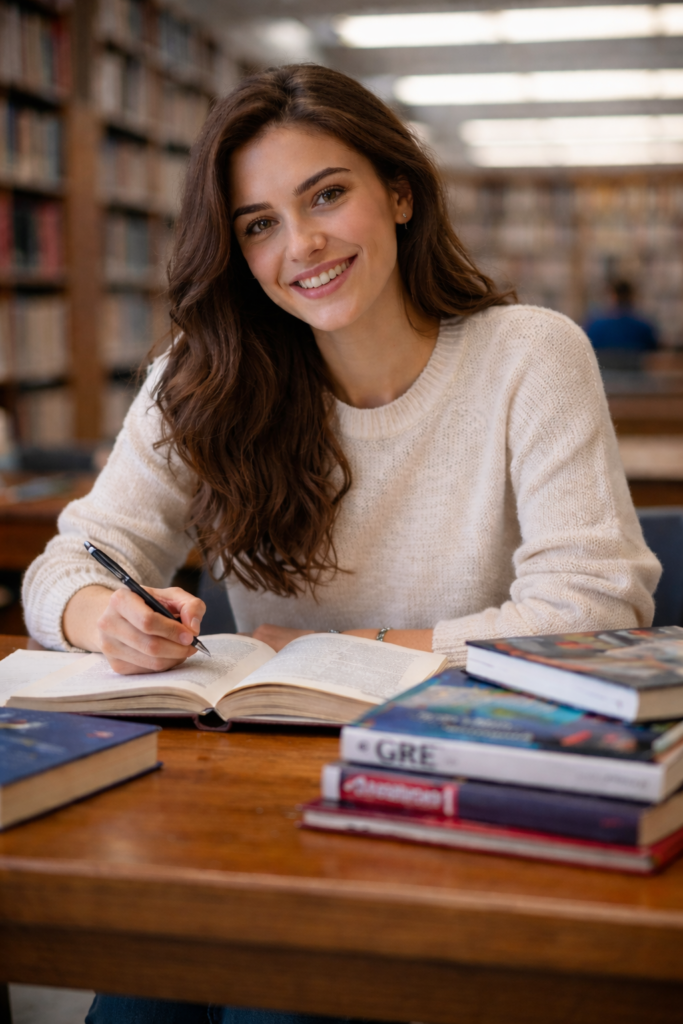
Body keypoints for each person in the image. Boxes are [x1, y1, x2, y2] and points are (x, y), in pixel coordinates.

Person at [23, 65, 659, 1023]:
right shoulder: (202, 378)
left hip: (468, 780)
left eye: (325, 195)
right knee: (141, 991)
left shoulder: (530, 353)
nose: (302, 245)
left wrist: (339, 652)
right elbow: (66, 565)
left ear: (398, 192)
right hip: (261, 788)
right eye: (259, 224)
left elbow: (594, 609)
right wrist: (103, 614)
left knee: (279, 1002)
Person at [585, 279, 658, 360]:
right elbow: (653, 350)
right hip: (634, 368)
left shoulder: (597, 326)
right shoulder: (643, 327)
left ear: (613, 296)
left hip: (603, 367)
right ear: (631, 296)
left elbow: (587, 348)